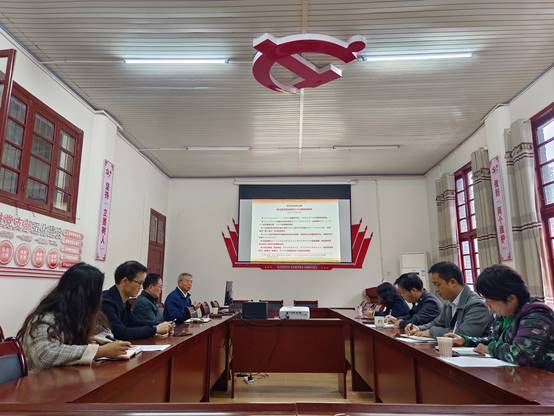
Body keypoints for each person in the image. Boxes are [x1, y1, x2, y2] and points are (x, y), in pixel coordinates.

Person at [17, 263, 131, 373]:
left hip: (70, 377)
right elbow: (45, 355)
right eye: (96, 293)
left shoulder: (81, 314)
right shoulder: (45, 318)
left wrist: (110, 346)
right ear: (84, 295)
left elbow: (104, 333)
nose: (99, 297)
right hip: (42, 382)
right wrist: (99, 351)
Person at [445, 265, 554, 371]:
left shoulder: (536, 315)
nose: (487, 304)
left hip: (544, 377)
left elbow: (521, 355)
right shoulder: (505, 313)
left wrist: (490, 349)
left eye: (490, 300)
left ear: (511, 299)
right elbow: (493, 340)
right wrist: (465, 340)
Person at [405, 261, 492, 338]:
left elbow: (464, 334)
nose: (436, 290)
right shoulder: (449, 303)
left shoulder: (476, 304)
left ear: (452, 282)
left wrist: (431, 332)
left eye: (438, 285)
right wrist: (418, 328)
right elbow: (436, 323)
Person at [102, 260, 173, 340]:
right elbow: (121, 333)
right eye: (139, 283)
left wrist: (158, 328)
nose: (141, 287)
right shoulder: (106, 302)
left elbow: (134, 324)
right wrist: (155, 330)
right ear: (125, 281)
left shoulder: (124, 302)